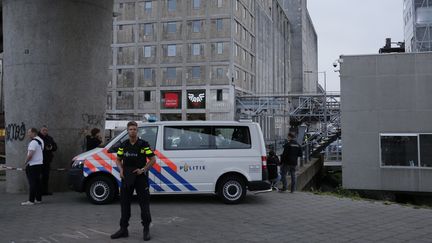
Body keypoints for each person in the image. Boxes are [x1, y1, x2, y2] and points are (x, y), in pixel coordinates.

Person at [111, 121, 156, 241]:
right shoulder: (123, 145)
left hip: (140, 177)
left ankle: (146, 229)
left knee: (144, 205)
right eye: (130, 129)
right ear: (127, 131)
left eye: (134, 129)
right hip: (127, 177)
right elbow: (118, 159)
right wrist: (120, 170)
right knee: (124, 204)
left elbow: (153, 159)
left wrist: (144, 169)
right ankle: (123, 229)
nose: (132, 131)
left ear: (137, 131)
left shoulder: (143, 144)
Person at [21, 128, 45, 206]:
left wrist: (25, 162)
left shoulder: (33, 142)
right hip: (39, 164)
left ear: (34, 133)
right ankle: (38, 199)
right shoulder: (41, 141)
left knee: (32, 183)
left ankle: (31, 201)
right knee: (37, 183)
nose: (28, 134)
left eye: (29, 132)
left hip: (32, 165)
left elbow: (30, 154)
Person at [38, 125, 58, 195]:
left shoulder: (49, 138)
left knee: (46, 176)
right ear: (40, 131)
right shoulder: (37, 138)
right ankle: (39, 191)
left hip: (47, 160)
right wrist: (44, 148)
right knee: (39, 177)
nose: (45, 132)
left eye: (46, 130)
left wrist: (51, 147)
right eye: (43, 130)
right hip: (38, 160)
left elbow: (55, 147)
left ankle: (45, 191)